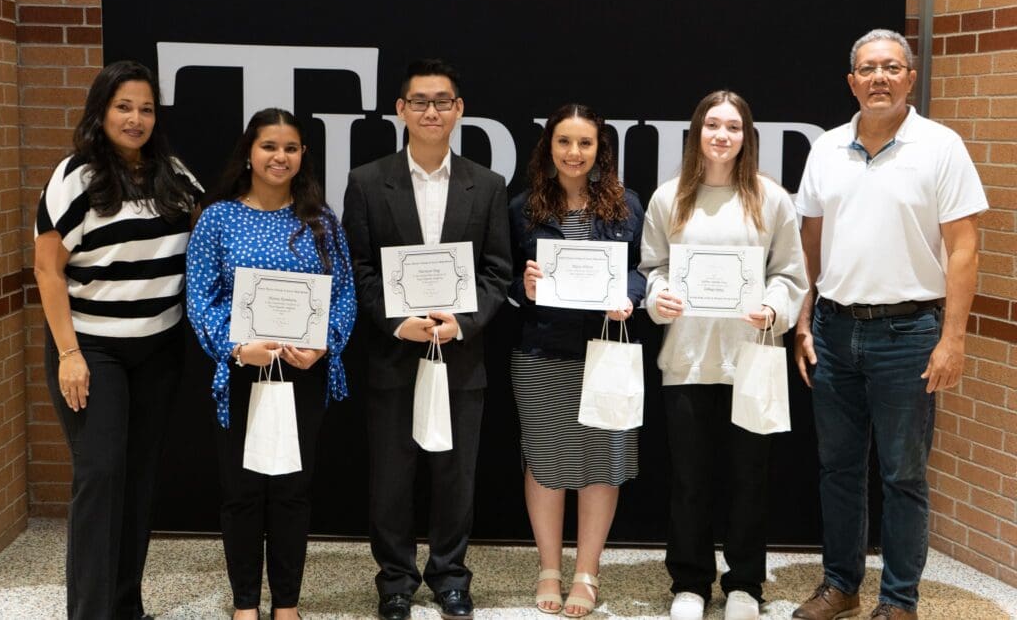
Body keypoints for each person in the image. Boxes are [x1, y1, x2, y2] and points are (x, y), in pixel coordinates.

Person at [791, 29, 986, 620]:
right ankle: (841, 587)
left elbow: (964, 249)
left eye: (892, 68)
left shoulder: (941, 146)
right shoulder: (825, 147)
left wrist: (952, 339)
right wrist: (803, 321)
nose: (880, 78)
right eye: (868, 69)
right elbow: (811, 241)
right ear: (851, 81)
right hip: (833, 331)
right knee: (839, 470)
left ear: (910, 77)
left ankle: (899, 601)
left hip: (909, 336)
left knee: (903, 476)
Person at [342, 59, 510, 620]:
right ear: (401, 110)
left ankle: (450, 575)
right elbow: (359, 269)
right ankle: (394, 579)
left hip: (461, 354)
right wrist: (396, 322)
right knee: (391, 475)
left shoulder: (485, 185)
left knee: (455, 474)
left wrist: (462, 323)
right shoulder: (367, 181)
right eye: (420, 101)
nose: (431, 111)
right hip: (394, 352)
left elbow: (496, 273)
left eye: (442, 101)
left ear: (459, 110)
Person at [33, 60, 202, 620]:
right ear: (100, 111)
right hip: (93, 351)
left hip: (157, 350)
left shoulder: (173, 174)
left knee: (137, 480)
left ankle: (126, 607)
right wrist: (69, 354)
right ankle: (90, 613)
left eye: (146, 108)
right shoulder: (74, 178)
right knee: (101, 477)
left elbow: (212, 236)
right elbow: (47, 271)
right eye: (123, 107)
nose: (136, 119)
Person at [639, 90, 808, 620]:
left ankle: (745, 586)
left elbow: (790, 275)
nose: (721, 135)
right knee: (689, 479)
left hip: (752, 360)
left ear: (746, 137)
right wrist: (657, 296)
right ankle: (689, 583)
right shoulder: (670, 198)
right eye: (712, 125)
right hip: (687, 360)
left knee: (748, 479)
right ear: (697, 133)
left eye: (732, 127)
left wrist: (775, 309)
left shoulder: (770, 199)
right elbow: (653, 268)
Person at [186, 108, 356, 620]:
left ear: (303, 155)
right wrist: (236, 349)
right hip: (242, 371)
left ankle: (286, 601)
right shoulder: (217, 218)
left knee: (291, 489)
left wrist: (324, 342)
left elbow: (343, 293)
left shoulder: (321, 221)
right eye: (269, 147)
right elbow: (200, 296)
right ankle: (244, 602)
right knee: (240, 491)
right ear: (249, 153)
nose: (279, 157)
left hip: (304, 373)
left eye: (290, 148)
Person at [507, 103, 645, 618]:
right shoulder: (523, 206)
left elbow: (643, 271)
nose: (574, 152)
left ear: (599, 150)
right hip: (541, 350)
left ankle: (586, 571)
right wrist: (521, 289)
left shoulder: (627, 206)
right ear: (549, 148)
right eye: (564, 142)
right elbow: (500, 275)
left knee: (602, 460)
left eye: (584, 143)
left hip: (606, 350)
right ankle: (549, 567)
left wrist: (628, 294)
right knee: (544, 459)